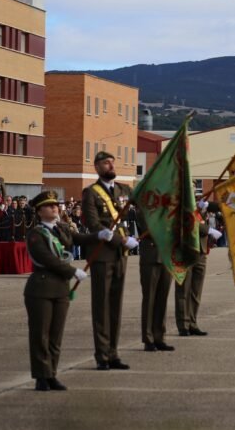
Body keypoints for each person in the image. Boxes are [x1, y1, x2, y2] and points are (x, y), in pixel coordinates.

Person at [24, 190, 112, 391]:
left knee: (56, 335)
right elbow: (46, 258)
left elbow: (79, 238)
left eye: (56, 205)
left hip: (61, 289)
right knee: (41, 335)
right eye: (49, 206)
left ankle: (52, 374)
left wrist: (99, 235)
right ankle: (41, 376)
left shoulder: (61, 228)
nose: (54, 208)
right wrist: (72, 270)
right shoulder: (36, 234)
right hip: (42, 288)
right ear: (39, 211)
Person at [81, 151, 138, 370]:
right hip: (103, 254)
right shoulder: (91, 193)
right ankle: (102, 355)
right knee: (102, 306)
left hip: (120, 256)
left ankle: (113, 352)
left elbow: (145, 201)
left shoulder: (124, 189)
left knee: (116, 306)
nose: (111, 165)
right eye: (106, 163)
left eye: (112, 162)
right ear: (96, 167)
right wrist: (122, 241)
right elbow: (94, 225)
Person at [175, 199, 219, 337]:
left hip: (201, 251)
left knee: (196, 291)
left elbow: (205, 214)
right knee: (184, 290)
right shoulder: (179, 202)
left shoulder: (198, 203)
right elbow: (187, 221)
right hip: (185, 251)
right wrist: (208, 230)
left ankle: (193, 323)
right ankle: (183, 324)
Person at [136, 198, 174, 353]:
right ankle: (148, 338)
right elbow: (150, 230)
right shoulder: (144, 209)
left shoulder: (168, 211)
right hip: (151, 256)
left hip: (166, 257)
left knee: (162, 299)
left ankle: (160, 337)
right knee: (150, 299)